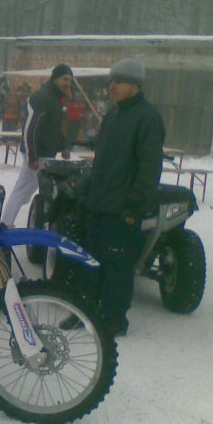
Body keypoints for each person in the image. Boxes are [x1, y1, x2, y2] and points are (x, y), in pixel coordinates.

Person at [84, 58, 165, 337]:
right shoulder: (113, 115)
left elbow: (149, 169)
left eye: (119, 82)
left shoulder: (148, 118)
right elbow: (103, 159)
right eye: (112, 81)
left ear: (135, 85)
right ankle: (86, 312)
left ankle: (113, 319)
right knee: (91, 262)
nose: (112, 86)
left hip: (122, 210)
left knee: (118, 267)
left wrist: (133, 208)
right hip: (98, 204)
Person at [1, 64, 73, 227]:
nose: (68, 83)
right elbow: (30, 128)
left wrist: (63, 146)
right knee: (22, 189)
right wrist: (32, 156)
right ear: (55, 79)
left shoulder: (55, 98)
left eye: (70, 80)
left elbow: (54, 126)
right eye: (65, 79)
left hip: (46, 153)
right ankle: (6, 223)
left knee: (27, 190)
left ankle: (13, 222)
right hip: (37, 153)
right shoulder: (42, 97)